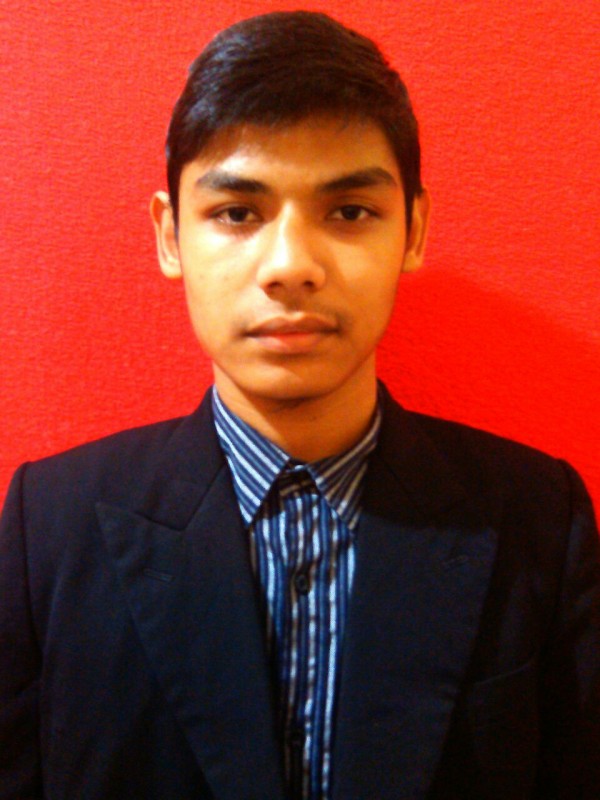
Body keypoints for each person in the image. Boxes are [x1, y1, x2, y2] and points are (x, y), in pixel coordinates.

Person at [1, 10, 598, 800]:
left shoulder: (538, 519)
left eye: (349, 212)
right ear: (171, 236)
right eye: (237, 213)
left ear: (413, 230)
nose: (290, 265)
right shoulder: (49, 527)